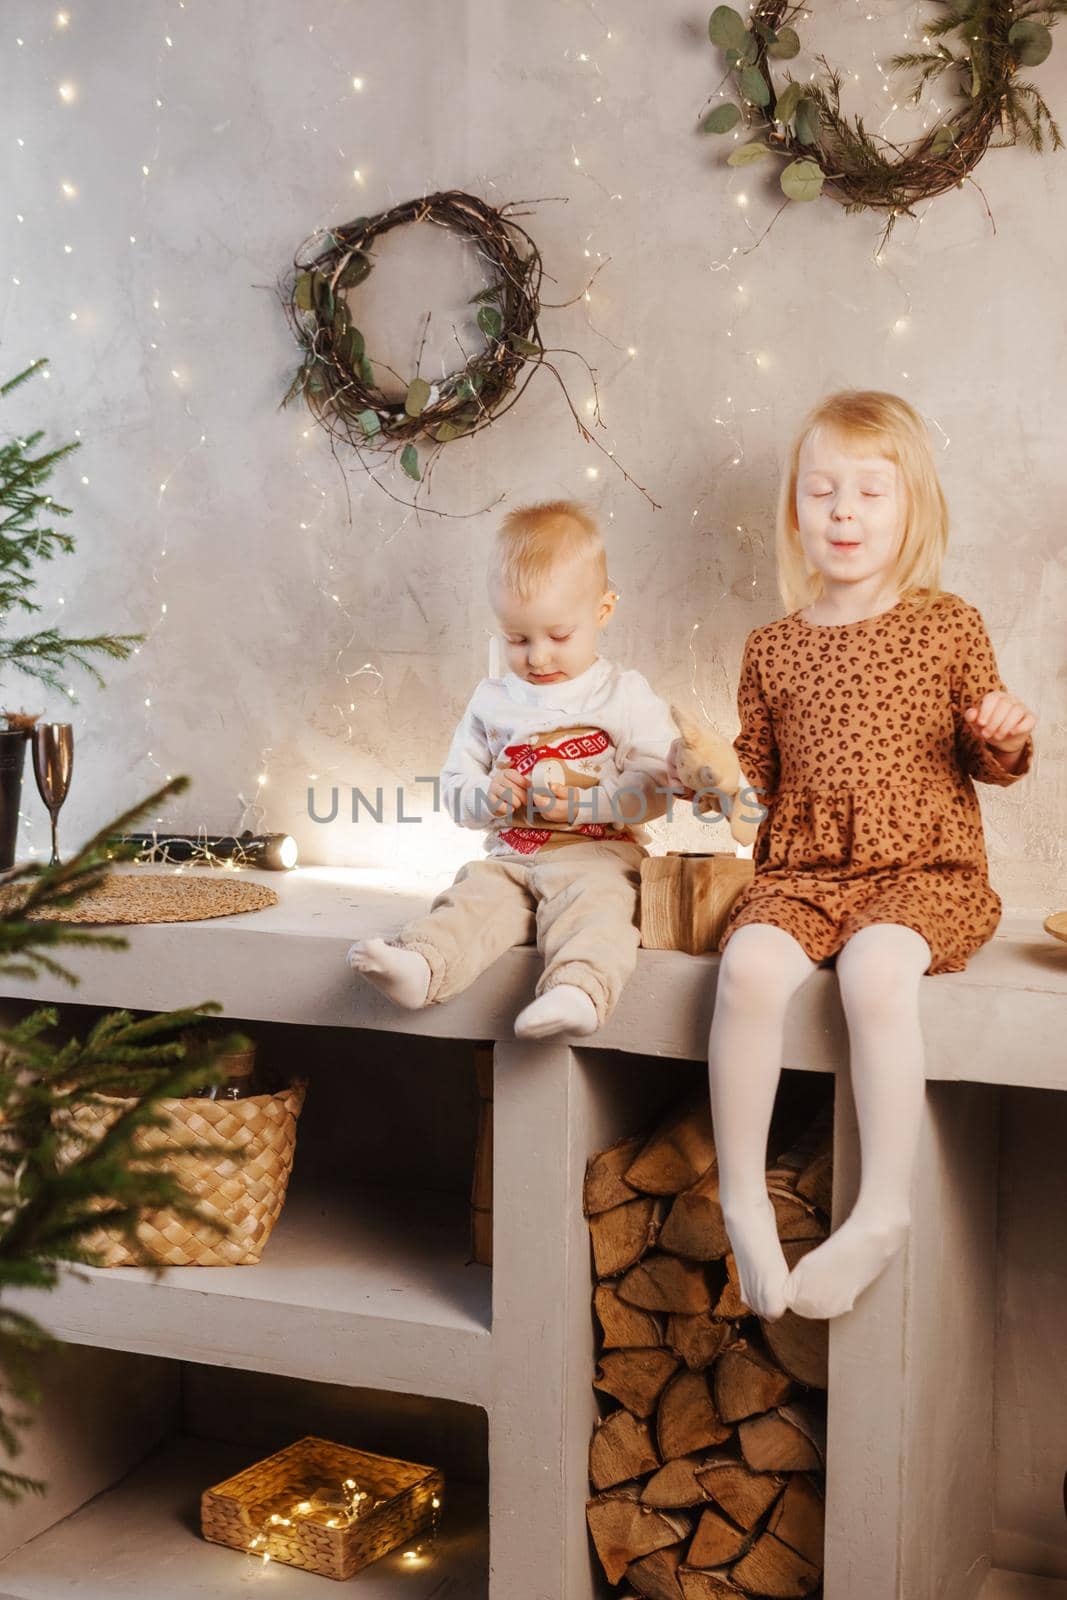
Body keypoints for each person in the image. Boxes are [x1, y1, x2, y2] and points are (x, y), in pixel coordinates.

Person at [675, 391, 1037, 1323]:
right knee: (748, 968)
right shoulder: (772, 649)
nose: (844, 511)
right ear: (794, 509)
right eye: (822, 490)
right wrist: (698, 778)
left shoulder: (946, 626)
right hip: (802, 875)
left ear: (911, 507)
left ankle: (882, 1210)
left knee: (877, 972)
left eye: (870, 492)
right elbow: (750, 785)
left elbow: (990, 761)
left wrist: (1002, 729)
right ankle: (744, 1195)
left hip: (923, 875)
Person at [349, 500, 677, 1041]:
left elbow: (658, 787)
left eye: (559, 636)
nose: (539, 658)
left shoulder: (623, 695)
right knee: (470, 897)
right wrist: (486, 795)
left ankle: (577, 991)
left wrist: (584, 805)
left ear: (602, 610)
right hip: (511, 857)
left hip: (596, 855)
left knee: (599, 910)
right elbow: (455, 788)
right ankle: (421, 967)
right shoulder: (492, 700)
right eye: (518, 640)